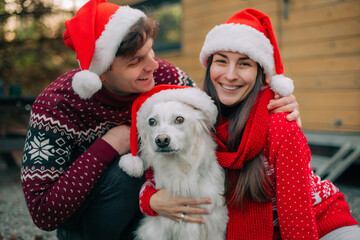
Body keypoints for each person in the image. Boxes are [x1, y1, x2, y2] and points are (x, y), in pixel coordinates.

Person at [20, 1, 299, 239]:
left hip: (153, 213)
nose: (153, 65)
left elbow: (212, 117)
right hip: (90, 223)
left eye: (151, 51)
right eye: (136, 61)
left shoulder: (163, 77)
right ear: (101, 72)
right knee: (124, 172)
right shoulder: (56, 107)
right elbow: (44, 212)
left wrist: (273, 103)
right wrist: (107, 146)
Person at [139, 8, 360, 240]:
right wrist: (150, 200)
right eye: (221, 62)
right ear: (209, 67)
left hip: (322, 224)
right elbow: (158, 169)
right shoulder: (201, 119)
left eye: (244, 64)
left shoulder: (280, 124)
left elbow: (298, 221)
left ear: (259, 73)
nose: (230, 75)